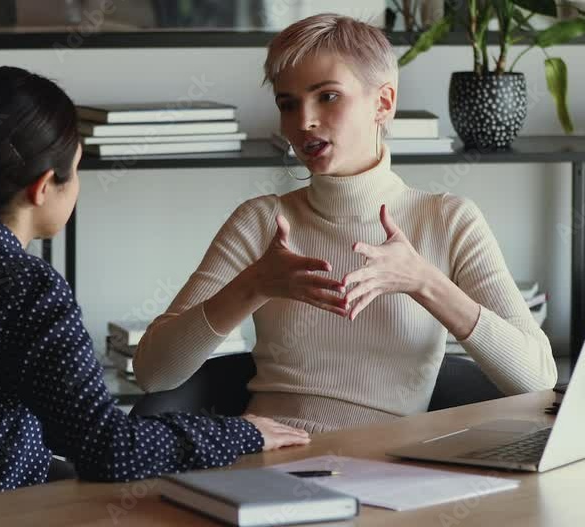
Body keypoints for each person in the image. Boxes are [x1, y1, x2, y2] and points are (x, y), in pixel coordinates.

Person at [0, 66, 309, 519]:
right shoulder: (25, 286)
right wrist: (241, 433)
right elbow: (110, 450)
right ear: (43, 187)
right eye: (76, 170)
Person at [133, 14, 558, 433]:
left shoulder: (447, 220)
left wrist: (425, 283)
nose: (303, 122)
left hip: (396, 474)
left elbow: (536, 379)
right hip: (268, 463)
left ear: (383, 102)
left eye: (328, 96)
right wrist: (253, 286)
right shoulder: (261, 220)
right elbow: (154, 373)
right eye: (288, 103)